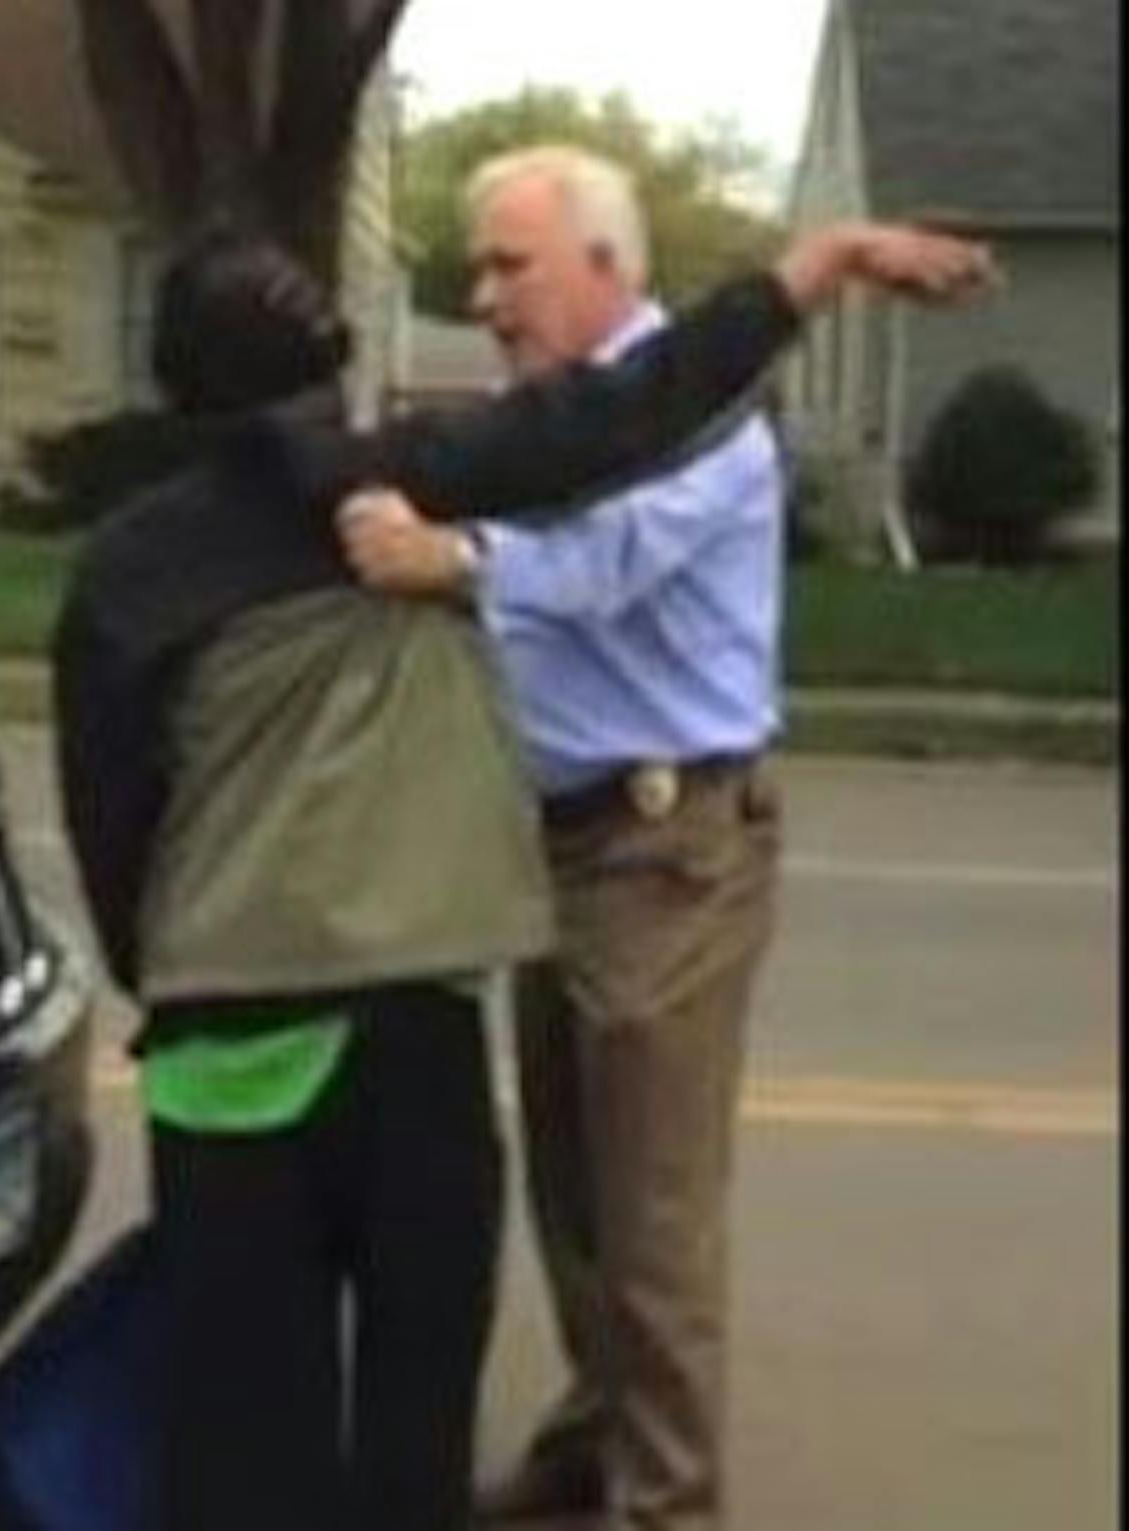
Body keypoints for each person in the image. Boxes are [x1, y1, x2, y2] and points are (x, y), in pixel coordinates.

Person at [53, 214, 992, 1531]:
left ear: (173, 387)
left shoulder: (124, 572)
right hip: (414, 1041)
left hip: (227, 1053)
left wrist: (171, 974)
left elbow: (110, 817)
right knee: (412, 1428)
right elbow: (629, 415)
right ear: (325, 370)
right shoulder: (408, 484)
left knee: (240, 1427)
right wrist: (809, 271)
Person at [335, 144, 902, 1531]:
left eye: (508, 266)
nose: (484, 297)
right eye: (478, 269)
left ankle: (669, 1507)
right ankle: (598, 1449)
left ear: (606, 269)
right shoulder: (563, 414)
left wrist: (453, 560)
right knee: (577, 1202)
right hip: (561, 848)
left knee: (654, 1233)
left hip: (672, 853)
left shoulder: (706, 420)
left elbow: (602, 572)